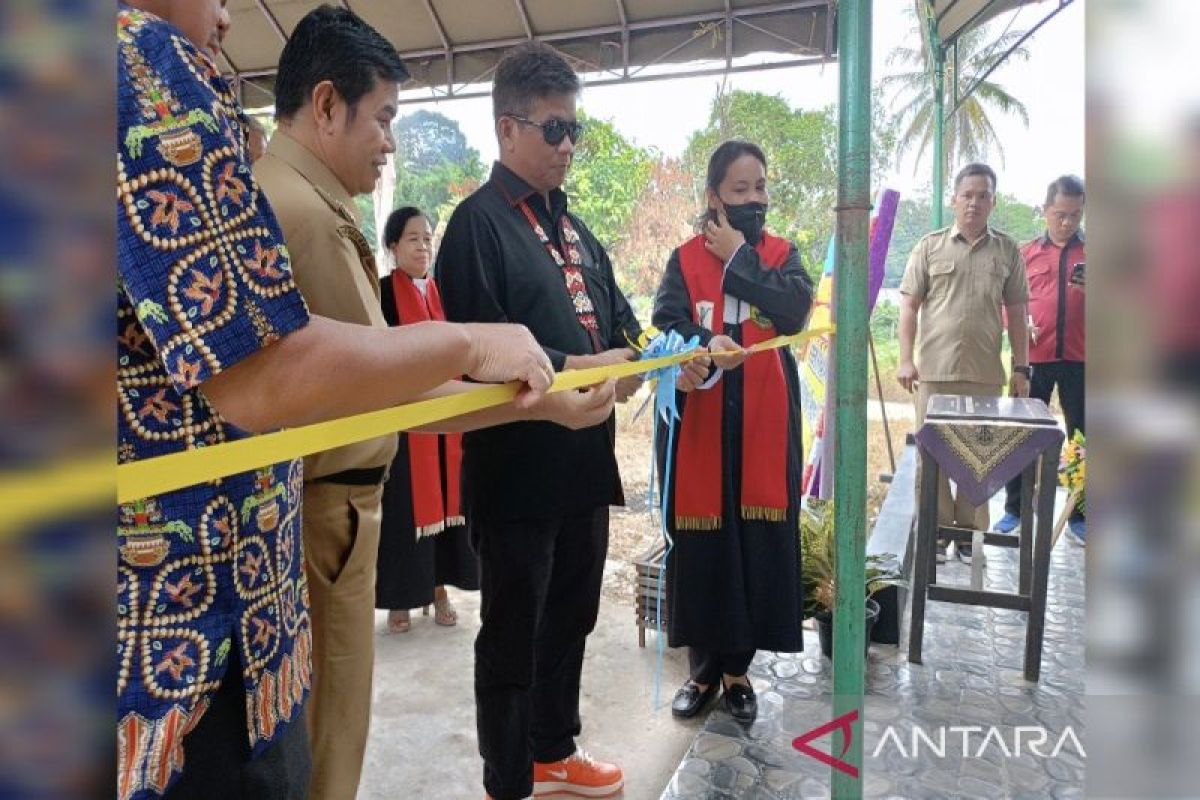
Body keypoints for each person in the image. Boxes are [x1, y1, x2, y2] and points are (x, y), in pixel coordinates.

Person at [117, 4, 614, 798]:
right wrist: (473, 344)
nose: (225, 14)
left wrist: (538, 399)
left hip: (311, 523)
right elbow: (288, 376)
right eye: (382, 117)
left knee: (325, 747)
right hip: (282, 534)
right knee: (316, 757)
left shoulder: (317, 206)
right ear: (324, 106)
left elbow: (389, 390)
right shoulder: (287, 204)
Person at [435, 41, 707, 800]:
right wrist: (587, 368)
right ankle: (507, 777)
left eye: (573, 130)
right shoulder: (475, 227)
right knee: (513, 633)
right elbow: (475, 349)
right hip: (515, 471)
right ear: (507, 130)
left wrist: (669, 357)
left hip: (585, 465)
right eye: (552, 130)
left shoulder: (578, 231)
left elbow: (623, 324)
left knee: (571, 620)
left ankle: (554, 751)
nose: (566, 146)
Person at [652, 140, 814, 723]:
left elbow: (794, 310)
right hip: (702, 422)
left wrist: (741, 254)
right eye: (740, 190)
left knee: (752, 544)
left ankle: (739, 671)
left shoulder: (780, 254)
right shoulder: (684, 259)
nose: (753, 199)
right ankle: (702, 672)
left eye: (760, 189)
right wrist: (699, 349)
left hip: (765, 426)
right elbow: (665, 323)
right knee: (706, 546)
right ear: (714, 195)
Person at [897, 162, 1030, 564]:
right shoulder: (930, 247)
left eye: (983, 195)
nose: (974, 202)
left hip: (985, 374)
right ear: (953, 200)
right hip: (934, 372)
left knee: (979, 456)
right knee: (933, 454)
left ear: (993, 201)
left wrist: (1022, 368)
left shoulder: (1007, 250)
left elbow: (1018, 312)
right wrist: (905, 359)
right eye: (966, 195)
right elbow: (908, 306)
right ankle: (936, 536)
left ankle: (971, 536)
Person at [375, 207, 479, 632]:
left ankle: (438, 591)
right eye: (413, 239)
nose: (423, 246)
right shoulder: (381, 294)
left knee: (450, 503)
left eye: (428, 239)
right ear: (393, 246)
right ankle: (401, 598)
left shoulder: (444, 295)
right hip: (404, 420)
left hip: (447, 419)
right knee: (403, 509)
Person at [995, 176, 1086, 544]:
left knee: (1085, 436)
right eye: (1060, 214)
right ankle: (1015, 508)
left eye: (1075, 215)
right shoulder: (1025, 253)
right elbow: (1006, 303)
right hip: (1033, 359)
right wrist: (1018, 326)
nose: (1067, 222)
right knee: (1021, 432)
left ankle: (1080, 514)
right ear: (1045, 210)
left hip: (1083, 359)